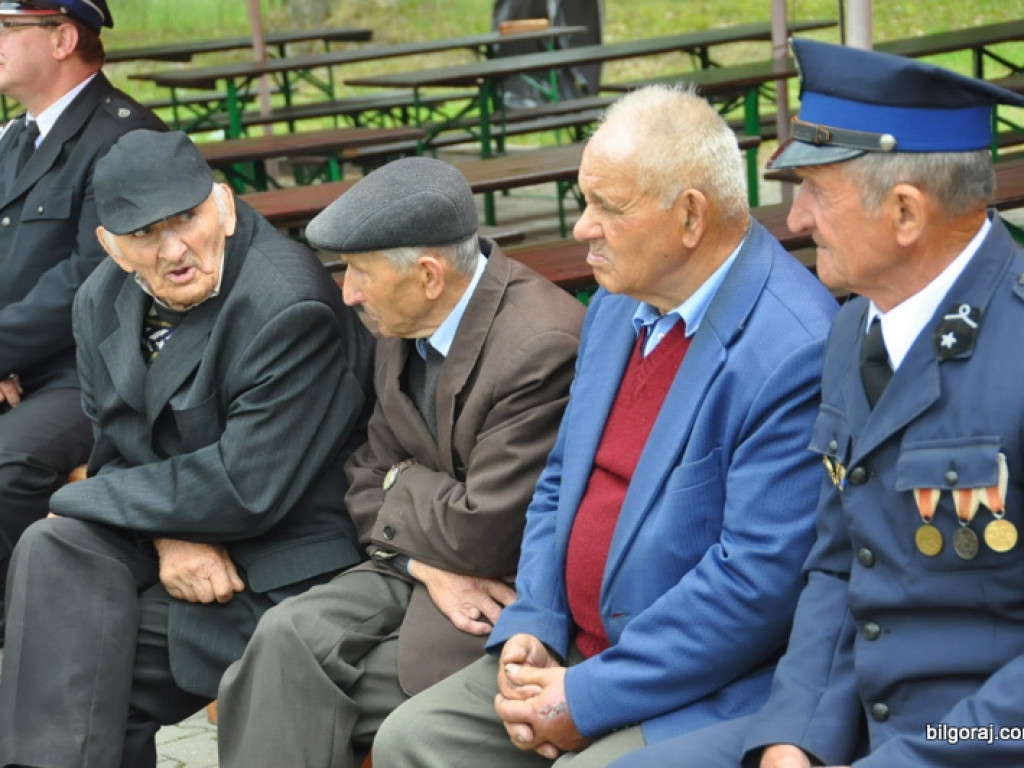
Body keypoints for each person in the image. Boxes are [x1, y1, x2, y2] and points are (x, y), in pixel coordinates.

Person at [371, 85, 837, 768]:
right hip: (570, 646)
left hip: (699, 685)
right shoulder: (620, 304)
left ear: (689, 217)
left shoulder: (792, 349)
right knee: (410, 739)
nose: (581, 227)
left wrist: (587, 696)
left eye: (607, 208)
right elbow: (560, 481)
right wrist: (533, 622)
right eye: (584, 199)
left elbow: (753, 587)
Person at [609, 39, 1024, 768]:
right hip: (849, 714)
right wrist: (794, 738)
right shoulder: (854, 329)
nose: (795, 219)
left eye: (815, 192)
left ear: (904, 212)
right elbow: (837, 567)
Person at [0, 129, 375, 768]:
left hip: (278, 562)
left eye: (187, 219)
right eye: (145, 234)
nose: (174, 249)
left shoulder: (287, 303)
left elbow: (243, 486)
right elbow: (117, 444)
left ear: (223, 207)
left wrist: (81, 495)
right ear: (111, 247)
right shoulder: (99, 300)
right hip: (187, 537)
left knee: (85, 675)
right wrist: (169, 538)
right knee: (53, 545)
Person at [216, 156, 585, 768]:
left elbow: (483, 531)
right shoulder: (400, 321)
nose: (347, 293)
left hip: (499, 600)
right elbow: (361, 475)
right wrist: (422, 561)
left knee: (274, 691)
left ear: (429, 274)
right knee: (281, 637)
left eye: (359, 271)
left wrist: (402, 484)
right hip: (411, 568)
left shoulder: (540, 346)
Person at [0, 0, 166, 642]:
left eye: (9, 27)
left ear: (63, 36)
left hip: (93, 370)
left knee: (6, 466)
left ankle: (34, 643)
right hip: (22, 364)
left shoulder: (124, 137)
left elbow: (88, 278)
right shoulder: (19, 136)